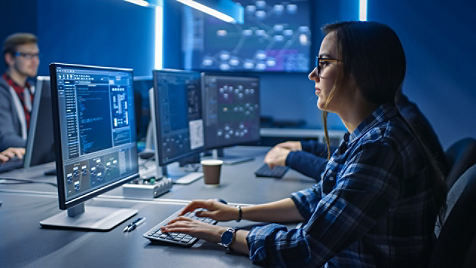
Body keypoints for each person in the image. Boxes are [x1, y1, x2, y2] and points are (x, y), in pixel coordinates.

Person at [160, 21, 447, 267]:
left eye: (323, 64)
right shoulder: (369, 134)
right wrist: (236, 213)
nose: (312, 74)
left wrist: (222, 235)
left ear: (361, 71)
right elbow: (318, 199)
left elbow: (304, 248)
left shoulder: (381, 146)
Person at [264, 87, 450, 181]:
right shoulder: (399, 114)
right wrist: (306, 147)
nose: (314, 75)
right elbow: (351, 158)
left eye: (326, 63)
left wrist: (292, 158)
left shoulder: (391, 133)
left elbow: (348, 174)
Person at [0, 33, 40, 152]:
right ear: (10, 59)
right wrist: (39, 148)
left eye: (36, 55)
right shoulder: (2, 91)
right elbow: (5, 138)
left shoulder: (34, 90)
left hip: (33, 159)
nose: (35, 61)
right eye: (27, 55)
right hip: (15, 162)